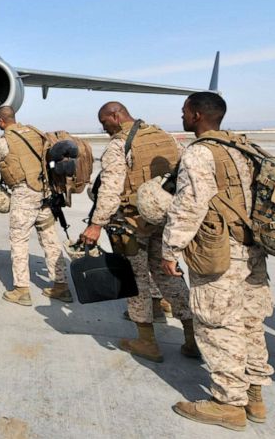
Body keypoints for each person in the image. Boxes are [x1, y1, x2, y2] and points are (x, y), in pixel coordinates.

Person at [162, 92, 272, 431]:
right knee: (251, 321)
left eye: (184, 111)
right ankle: (254, 395)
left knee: (217, 324)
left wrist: (170, 248)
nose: (181, 116)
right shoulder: (243, 148)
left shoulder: (199, 153)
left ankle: (228, 404)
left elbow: (190, 205)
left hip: (220, 252)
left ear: (196, 115)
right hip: (253, 248)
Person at [80, 102, 196, 363]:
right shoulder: (164, 136)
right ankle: (192, 338)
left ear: (115, 115)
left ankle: (146, 341)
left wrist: (96, 224)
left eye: (104, 122)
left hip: (132, 224)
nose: (104, 128)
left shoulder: (119, 146)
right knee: (169, 273)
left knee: (135, 281)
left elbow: (110, 189)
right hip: (164, 220)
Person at [0, 106, 70, 305]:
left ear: (0, 121)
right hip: (44, 192)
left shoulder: (4, 141)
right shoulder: (35, 132)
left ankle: (21, 289)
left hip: (24, 194)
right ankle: (61, 286)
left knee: (19, 240)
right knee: (50, 239)